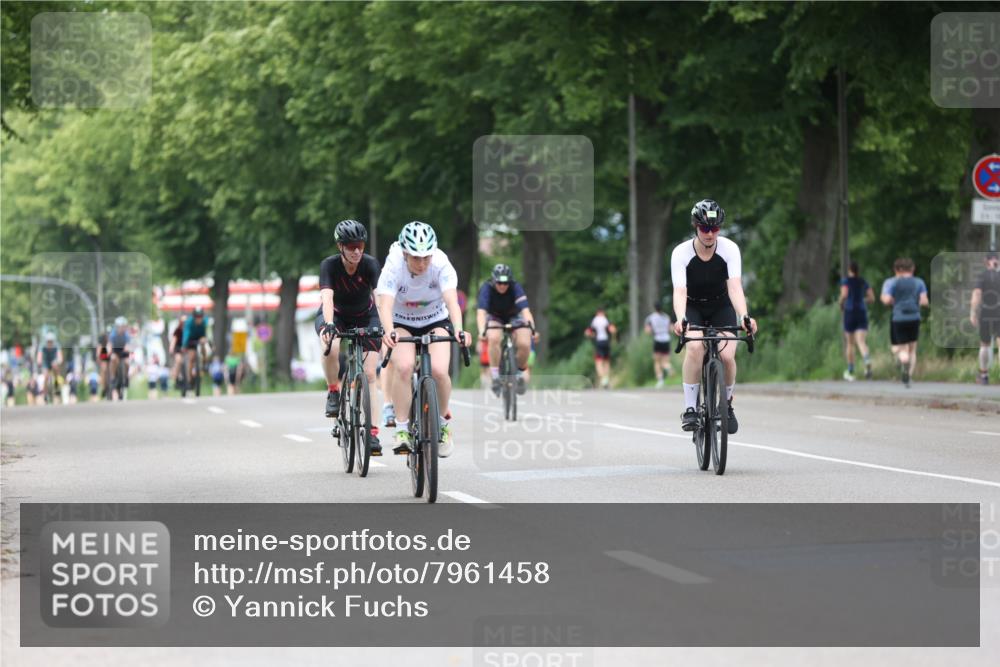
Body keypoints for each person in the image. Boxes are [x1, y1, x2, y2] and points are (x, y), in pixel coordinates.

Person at [376, 221, 469, 458]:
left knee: (439, 371)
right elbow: (385, 304)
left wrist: (459, 329)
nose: (422, 263)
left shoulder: (441, 263)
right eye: (416, 257)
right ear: (405, 253)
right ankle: (402, 429)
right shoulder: (394, 265)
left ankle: (442, 422)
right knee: (404, 367)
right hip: (402, 321)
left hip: (435, 319)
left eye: (426, 257)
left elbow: (451, 301)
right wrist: (388, 331)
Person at [671, 199, 757, 433]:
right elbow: (680, 291)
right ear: (695, 227)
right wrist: (680, 318)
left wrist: (744, 316)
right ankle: (690, 408)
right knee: (696, 347)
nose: (710, 234)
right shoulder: (681, 253)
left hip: (721, 306)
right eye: (705, 229)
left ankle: (727, 406)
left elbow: (735, 287)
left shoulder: (729, 249)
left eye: (715, 228)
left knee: (727, 355)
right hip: (692, 306)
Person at [316, 219, 383, 453]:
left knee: (370, 373)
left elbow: (380, 297)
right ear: (340, 247)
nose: (356, 251)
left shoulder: (371, 264)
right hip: (336, 314)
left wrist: (386, 325)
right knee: (331, 345)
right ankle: (333, 390)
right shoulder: (329, 265)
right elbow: (327, 298)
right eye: (351, 246)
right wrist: (329, 325)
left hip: (366, 316)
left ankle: (373, 433)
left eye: (360, 246)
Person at [476, 263, 538, 397]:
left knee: (525, 342)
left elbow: (526, 311)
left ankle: (520, 373)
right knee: (493, 337)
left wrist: (532, 328)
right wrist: (482, 331)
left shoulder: (516, 287)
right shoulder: (486, 288)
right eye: (499, 283)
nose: (503, 286)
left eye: (506, 283)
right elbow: (481, 313)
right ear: (493, 280)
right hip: (495, 316)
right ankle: (495, 376)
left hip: (514, 316)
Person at [880, 257, 929, 387]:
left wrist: (894, 302)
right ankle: (909, 376)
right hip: (915, 318)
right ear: (912, 269)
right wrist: (915, 302)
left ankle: (904, 361)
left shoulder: (894, 283)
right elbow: (924, 301)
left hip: (899, 317)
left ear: (898, 269)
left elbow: (886, 300)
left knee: (901, 348)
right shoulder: (919, 282)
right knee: (912, 349)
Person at [838, 261, 875, 381]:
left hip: (849, 312)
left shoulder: (846, 281)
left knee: (850, 343)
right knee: (861, 341)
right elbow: (871, 298)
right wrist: (863, 301)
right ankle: (867, 360)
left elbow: (844, 294)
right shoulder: (863, 281)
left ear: (849, 270)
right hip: (861, 312)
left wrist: (841, 304)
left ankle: (850, 370)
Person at [970, 251, 1000, 385]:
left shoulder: (982, 276)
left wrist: (973, 313)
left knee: (985, 344)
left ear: (985, 261)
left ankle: (984, 374)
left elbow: (977, 294)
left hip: (986, 311)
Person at [585, 307, 617, 389]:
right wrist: (613, 338)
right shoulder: (606, 320)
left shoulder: (594, 320)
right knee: (606, 361)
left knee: (599, 362)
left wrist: (592, 336)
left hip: (598, 342)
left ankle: (603, 380)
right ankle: (606, 380)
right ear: (603, 312)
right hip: (606, 342)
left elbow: (587, 333)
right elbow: (613, 330)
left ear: (597, 313)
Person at [644, 302, 674, 388]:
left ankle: (660, 380)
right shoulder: (666, 317)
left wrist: (652, 332)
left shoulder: (650, 318)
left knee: (657, 362)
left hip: (657, 339)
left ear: (654, 308)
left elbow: (648, 331)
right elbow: (671, 329)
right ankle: (668, 367)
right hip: (666, 339)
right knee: (665, 361)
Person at [182, 307, 209, 392]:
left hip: (199, 339)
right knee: (191, 357)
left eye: (200, 316)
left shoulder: (204, 322)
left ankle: (204, 364)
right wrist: (184, 345)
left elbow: (205, 333)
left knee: (204, 346)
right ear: (194, 317)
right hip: (190, 340)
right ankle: (189, 379)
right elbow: (186, 334)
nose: (199, 319)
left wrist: (205, 339)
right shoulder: (189, 323)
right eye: (197, 317)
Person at [107, 316, 132, 400]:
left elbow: (128, 344)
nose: (122, 328)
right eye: (121, 327)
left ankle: (126, 376)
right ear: (117, 327)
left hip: (123, 352)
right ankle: (113, 377)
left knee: (127, 362)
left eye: (124, 326)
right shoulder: (113, 334)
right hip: (115, 351)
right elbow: (109, 344)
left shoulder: (126, 335)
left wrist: (127, 349)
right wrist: (109, 351)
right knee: (113, 359)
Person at [36, 332, 63, 404]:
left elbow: (60, 357)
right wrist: (39, 362)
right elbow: (39, 356)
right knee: (46, 376)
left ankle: (57, 387)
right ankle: (45, 394)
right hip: (45, 362)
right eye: (48, 341)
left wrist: (58, 362)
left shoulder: (57, 345)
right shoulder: (42, 346)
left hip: (54, 361)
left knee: (56, 368)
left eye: (51, 341)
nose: (50, 343)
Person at [169, 314, 187, 391]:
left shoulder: (189, 330)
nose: (184, 323)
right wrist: (171, 348)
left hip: (187, 349)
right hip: (178, 349)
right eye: (183, 322)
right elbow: (174, 340)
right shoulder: (178, 330)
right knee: (178, 360)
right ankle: (177, 377)